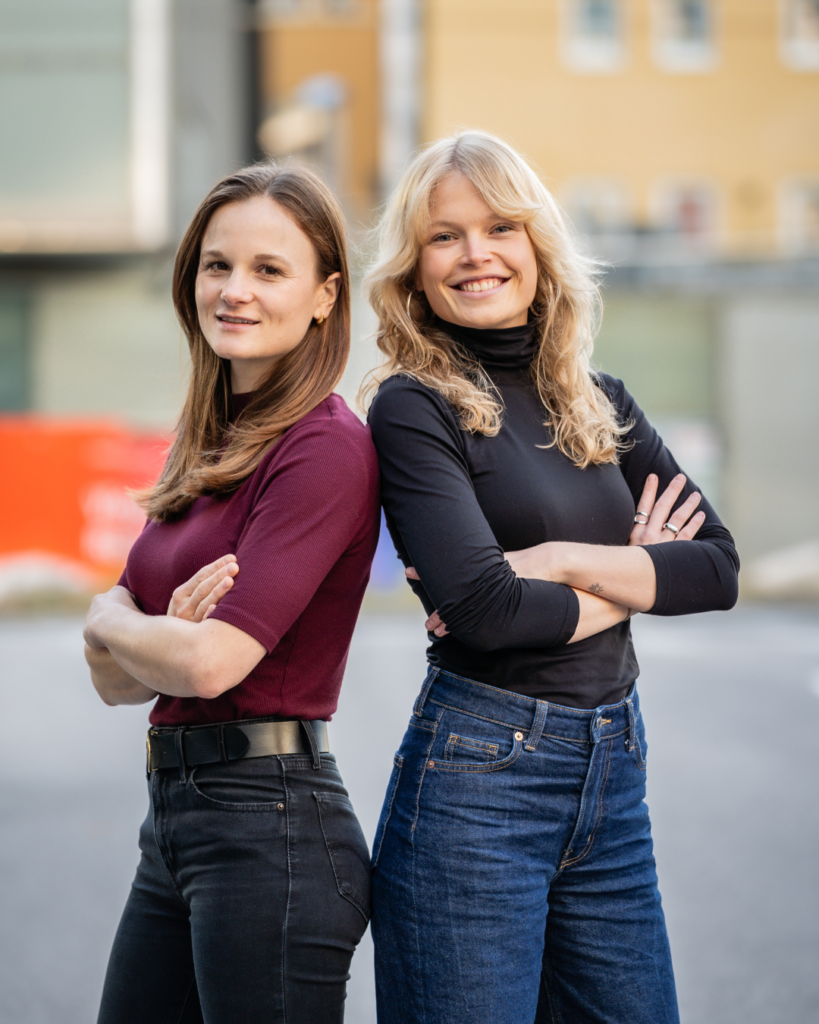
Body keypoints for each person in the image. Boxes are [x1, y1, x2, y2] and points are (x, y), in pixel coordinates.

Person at [363, 130, 739, 1024]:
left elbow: (717, 568)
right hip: (476, 790)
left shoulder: (598, 398)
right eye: (443, 236)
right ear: (414, 269)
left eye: (498, 226)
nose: (475, 254)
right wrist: (637, 569)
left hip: (613, 778)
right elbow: (488, 611)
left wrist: (564, 564)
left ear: (537, 243)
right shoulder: (414, 406)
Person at [83, 162, 379, 1024]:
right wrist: (150, 642)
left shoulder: (322, 449)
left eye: (268, 269)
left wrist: (112, 615)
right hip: (175, 826)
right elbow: (114, 682)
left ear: (325, 295)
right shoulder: (209, 445)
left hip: (270, 832)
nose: (234, 290)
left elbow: (208, 663)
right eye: (217, 265)